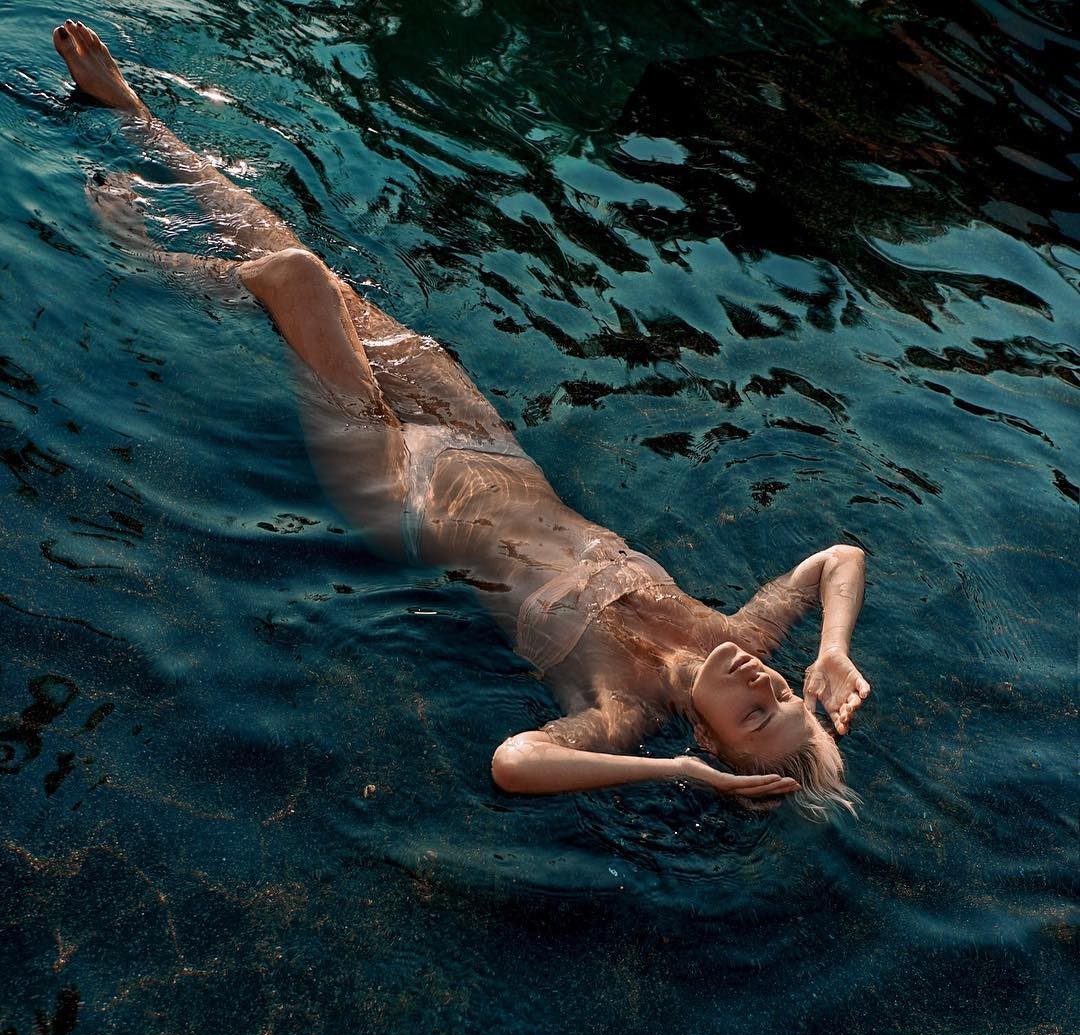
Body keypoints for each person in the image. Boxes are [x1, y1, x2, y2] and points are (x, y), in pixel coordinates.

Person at [52, 21, 871, 818]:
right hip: (481, 444)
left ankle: (139, 256)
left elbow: (515, 763)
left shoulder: (620, 708)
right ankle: (137, 118)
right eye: (784, 696)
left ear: (709, 738)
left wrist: (684, 775)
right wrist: (831, 650)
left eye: (755, 717)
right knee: (313, 271)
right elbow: (839, 557)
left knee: (295, 279)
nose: (764, 686)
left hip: (403, 497)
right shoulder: (739, 635)